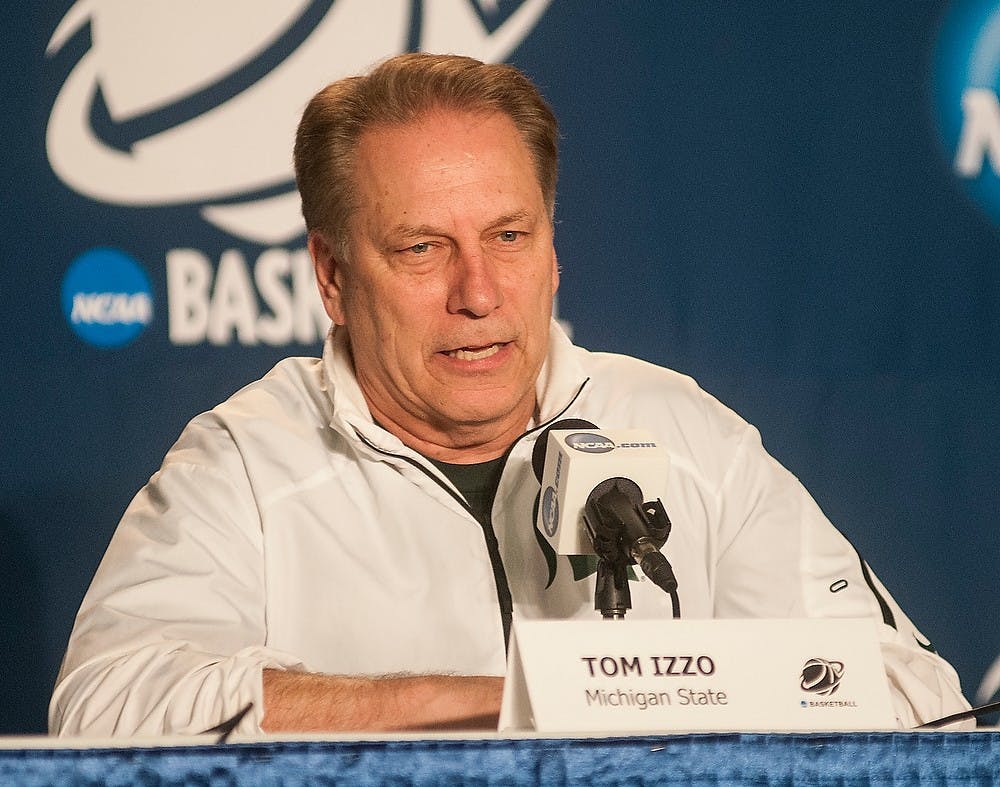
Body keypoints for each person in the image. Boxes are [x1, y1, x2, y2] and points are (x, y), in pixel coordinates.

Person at [50, 52, 970, 737]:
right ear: (331, 277)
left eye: (509, 236)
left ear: (554, 248)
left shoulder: (685, 432)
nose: (479, 293)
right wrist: (500, 709)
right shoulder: (247, 462)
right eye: (422, 248)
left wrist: (690, 696)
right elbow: (107, 708)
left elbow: (920, 700)